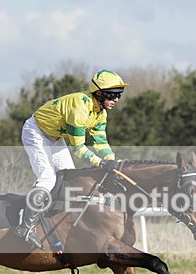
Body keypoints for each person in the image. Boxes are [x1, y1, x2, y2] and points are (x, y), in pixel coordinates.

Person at [16, 69, 128, 251]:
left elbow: (100, 142)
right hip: (35, 132)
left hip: (54, 137)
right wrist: (100, 163)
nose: (116, 99)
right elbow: (79, 148)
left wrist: (112, 161)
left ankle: (55, 220)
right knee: (48, 178)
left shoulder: (100, 113)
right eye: (112, 95)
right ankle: (25, 226)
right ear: (98, 93)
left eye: (119, 96)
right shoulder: (80, 107)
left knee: (70, 178)